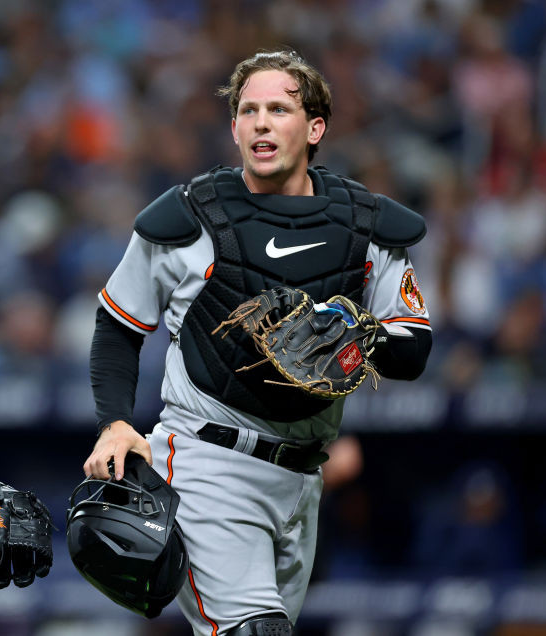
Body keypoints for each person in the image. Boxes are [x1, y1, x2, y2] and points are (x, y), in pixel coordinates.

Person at [82, 50, 432, 635]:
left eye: (279, 108)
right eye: (248, 110)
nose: (261, 122)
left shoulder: (365, 226)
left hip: (304, 476)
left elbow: (414, 348)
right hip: (208, 461)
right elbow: (117, 326)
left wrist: (361, 341)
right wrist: (115, 422)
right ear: (235, 128)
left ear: (314, 127)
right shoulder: (188, 220)